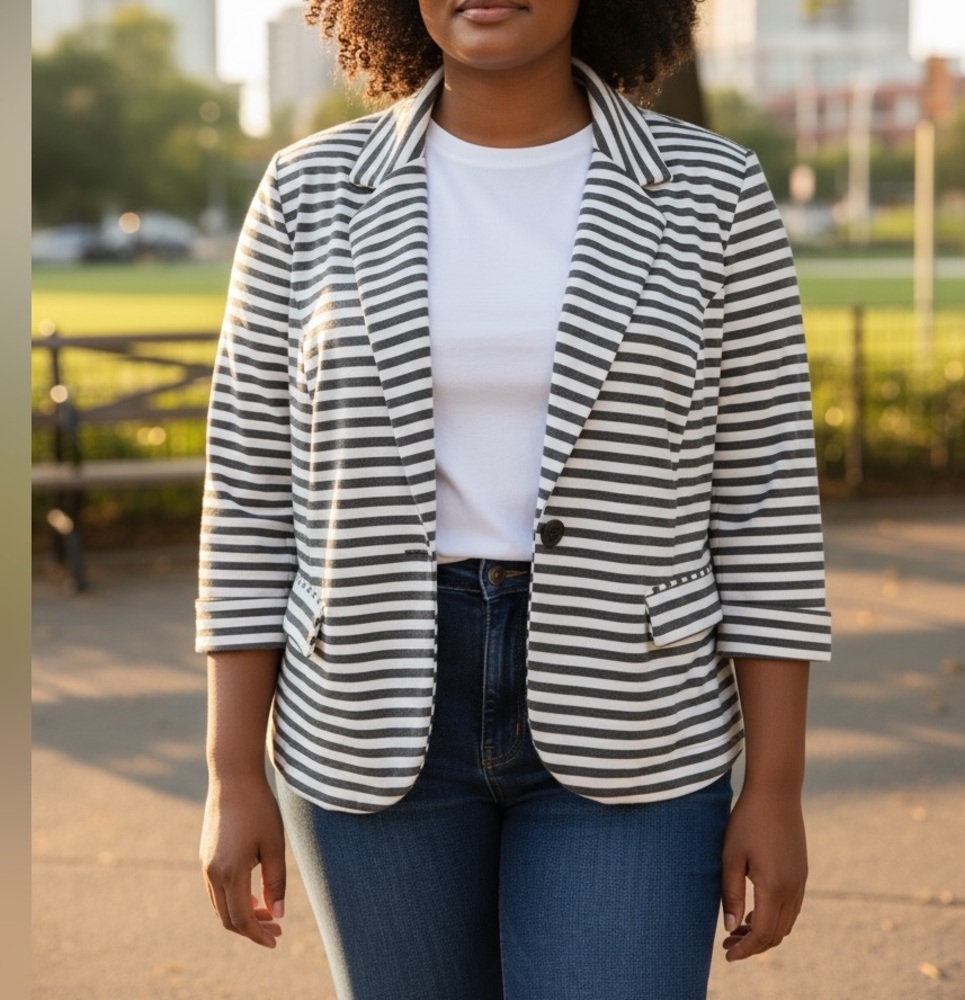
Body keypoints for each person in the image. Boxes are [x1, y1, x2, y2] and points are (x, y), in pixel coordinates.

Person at [197, 2, 833, 998]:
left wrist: (777, 785)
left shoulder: (715, 191)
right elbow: (247, 497)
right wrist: (232, 770)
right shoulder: (306, 191)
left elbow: (764, 505)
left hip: (636, 713)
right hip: (369, 708)